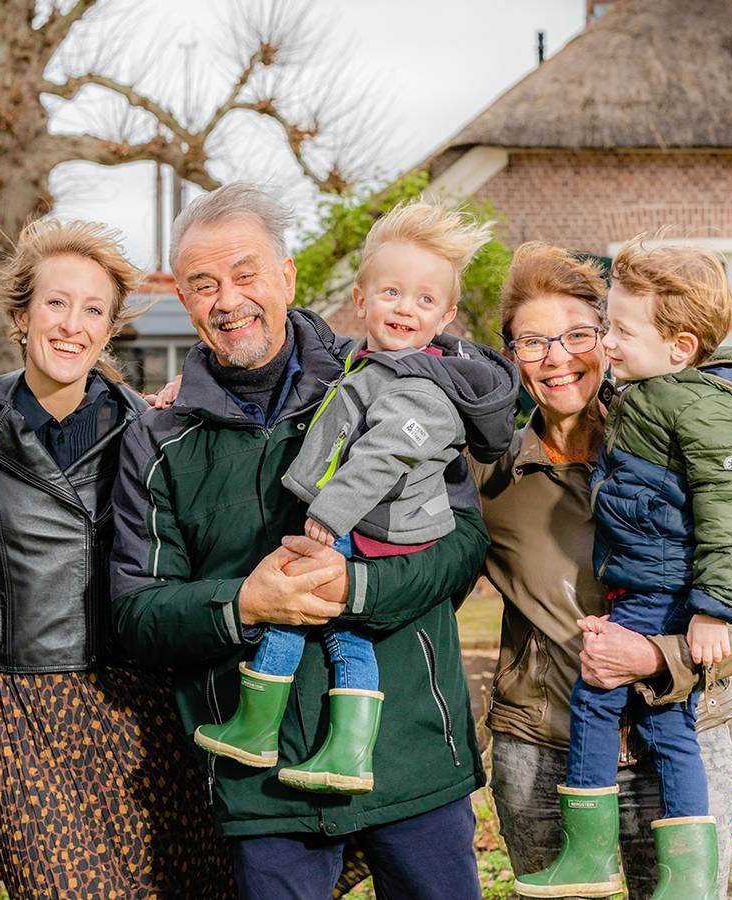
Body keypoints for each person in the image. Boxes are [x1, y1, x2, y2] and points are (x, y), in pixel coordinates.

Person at [110, 183, 492, 900]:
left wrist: (361, 589)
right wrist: (243, 604)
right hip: (264, 782)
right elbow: (139, 613)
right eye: (203, 284)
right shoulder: (158, 438)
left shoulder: (392, 377)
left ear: (286, 276)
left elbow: (464, 543)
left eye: (246, 274)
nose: (228, 300)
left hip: (408, 753)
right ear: (184, 300)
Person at [478, 241, 732, 899]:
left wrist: (660, 656)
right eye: (532, 342)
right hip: (544, 754)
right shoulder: (491, 477)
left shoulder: (681, 442)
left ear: (611, 339)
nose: (558, 357)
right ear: (511, 357)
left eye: (578, 334)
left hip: (682, 741)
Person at [0, 219, 234, 897]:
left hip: (141, 698)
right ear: (21, 316)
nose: (72, 324)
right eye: (56, 303)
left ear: (109, 331)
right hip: (20, 700)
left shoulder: (153, 427)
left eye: (93, 310)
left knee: (173, 884)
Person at [194, 200, 517, 797]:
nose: (405, 309)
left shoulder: (418, 382)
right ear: (362, 299)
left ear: (445, 316)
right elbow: (310, 339)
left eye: (424, 301)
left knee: (301, 592)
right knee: (345, 631)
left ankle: (260, 722)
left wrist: (327, 514)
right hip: (367, 514)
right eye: (392, 292)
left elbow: (382, 456)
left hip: (372, 520)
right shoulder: (370, 362)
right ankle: (342, 748)